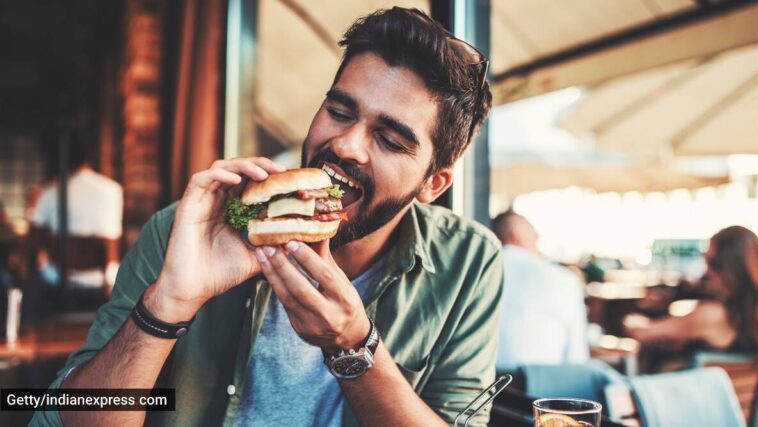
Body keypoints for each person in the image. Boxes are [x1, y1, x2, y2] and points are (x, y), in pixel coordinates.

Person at [33, 7, 501, 426]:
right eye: (339, 111)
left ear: (432, 184)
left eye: (391, 140)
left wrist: (354, 348)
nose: (346, 144)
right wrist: (167, 303)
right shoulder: (188, 230)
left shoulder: (469, 263)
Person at [624, 226, 758, 361]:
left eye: (713, 262)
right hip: (739, 388)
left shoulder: (713, 316)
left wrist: (634, 322)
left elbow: (643, 333)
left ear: (733, 267)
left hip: (687, 386)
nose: (707, 271)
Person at [492, 210, 589, 371]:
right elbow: (576, 355)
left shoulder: (473, 271)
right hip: (537, 384)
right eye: (534, 236)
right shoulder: (561, 277)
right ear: (516, 235)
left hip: (482, 387)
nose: (538, 240)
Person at [30, 136, 123, 291]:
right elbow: (113, 236)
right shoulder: (113, 190)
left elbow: (34, 237)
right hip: (104, 277)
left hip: (58, 277)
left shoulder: (51, 193)